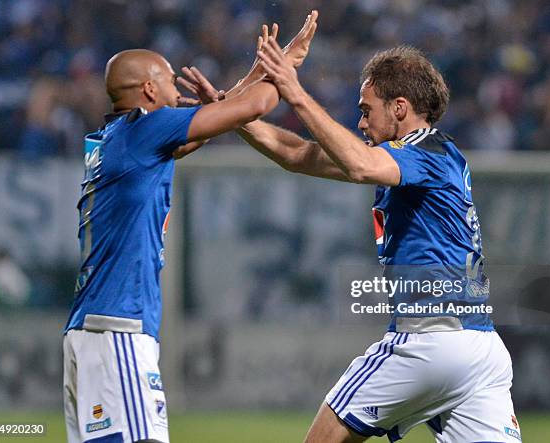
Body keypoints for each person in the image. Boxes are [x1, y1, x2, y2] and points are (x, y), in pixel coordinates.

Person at [181, 39, 521, 442]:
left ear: (399, 108)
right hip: (481, 349)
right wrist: (232, 116)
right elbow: (298, 155)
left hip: (429, 340)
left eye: (366, 110)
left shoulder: (422, 152)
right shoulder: (427, 157)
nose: (361, 123)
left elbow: (358, 165)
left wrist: (295, 93)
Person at [62, 12, 318, 443]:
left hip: (93, 331)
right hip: (120, 328)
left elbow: (211, 124)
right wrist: (283, 67)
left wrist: (254, 73)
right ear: (148, 90)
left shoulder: (115, 140)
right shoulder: (145, 130)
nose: (175, 91)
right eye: (167, 82)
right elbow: (255, 107)